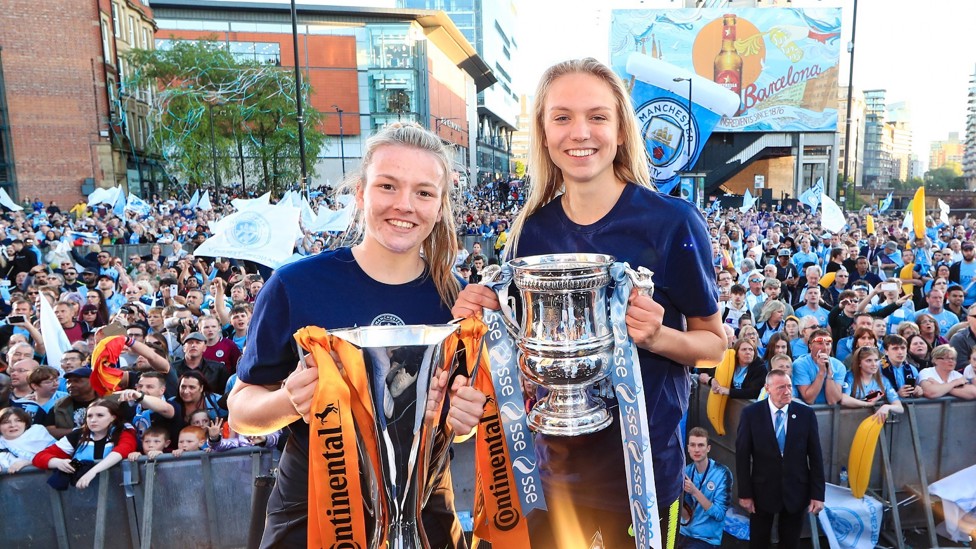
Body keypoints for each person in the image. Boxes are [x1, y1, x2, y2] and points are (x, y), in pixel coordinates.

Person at [451, 58, 725, 547]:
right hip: (550, 470)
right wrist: (481, 319)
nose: (581, 132)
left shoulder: (672, 223)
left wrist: (659, 336)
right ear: (544, 133)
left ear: (620, 130)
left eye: (597, 116)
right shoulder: (530, 231)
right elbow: (517, 346)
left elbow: (713, 346)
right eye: (562, 117)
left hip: (643, 476)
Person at [228, 122, 487, 548]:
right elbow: (241, 411)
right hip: (316, 514)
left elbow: (454, 425)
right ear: (362, 193)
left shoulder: (456, 301)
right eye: (388, 186)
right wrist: (289, 400)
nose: (404, 205)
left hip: (425, 515)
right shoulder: (295, 285)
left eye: (423, 192)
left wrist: (462, 421)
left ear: (440, 206)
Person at [736, 370, 825, 549]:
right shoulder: (751, 414)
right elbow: (742, 456)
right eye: (781, 387)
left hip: (796, 491)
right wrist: (745, 493)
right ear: (767, 388)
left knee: (790, 543)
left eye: (789, 386)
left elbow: (815, 456)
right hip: (762, 491)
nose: (787, 391)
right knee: (759, 542)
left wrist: (817, 495)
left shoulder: (805, 414)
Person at [33, 398, 137, 489]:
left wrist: (92, 472)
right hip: (83, 493)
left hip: (118, 492)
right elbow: (39, 457)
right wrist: (58, 462)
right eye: (89, 416)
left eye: (100, 415)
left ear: (113, 417)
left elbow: (123, 450)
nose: (93, 420)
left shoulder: (124, 431)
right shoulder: (78, 434)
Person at [677, 427, 732, 548]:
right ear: (688, 448)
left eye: (701, 445)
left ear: (708, 448)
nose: (696, 450)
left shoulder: (722, 473)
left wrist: (695, 491)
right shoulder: (685, 471)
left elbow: (719, 514)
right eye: (693, 445)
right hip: (683, 533)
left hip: (706, 539)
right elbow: (686, 515)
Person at [840, 346, 904, 421]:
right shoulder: (850, 377)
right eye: (869, 360)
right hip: (849, 421)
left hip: (873, 424)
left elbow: (900, 407)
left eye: (876, 360)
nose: (874, 364)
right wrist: (867, 404)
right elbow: (843, 399)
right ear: (859, 363)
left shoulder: (883, 380)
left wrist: (887, 407)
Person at [791, 328, 845, 405]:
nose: (825, 348)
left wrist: (829, 373)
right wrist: (821, 372)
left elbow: (833, 401)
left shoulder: (839, 366)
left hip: (831, 415)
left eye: (827, 344)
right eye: (820, 343)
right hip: (806, 413)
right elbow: (809, 399)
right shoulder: (800, 364)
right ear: (810, 346)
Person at [0, 407, 57, 473]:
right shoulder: (1, 443)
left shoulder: (37, 432)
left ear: (26, 423)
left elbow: (59, 455)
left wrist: (30, 462)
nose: (13, 425)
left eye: (18, 420)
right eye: (6, 422)